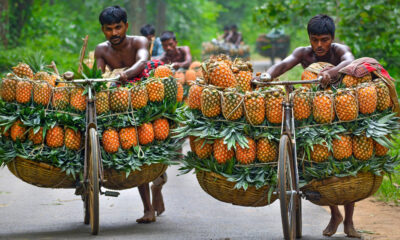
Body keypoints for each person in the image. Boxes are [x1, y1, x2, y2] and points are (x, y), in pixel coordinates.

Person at [261, 14, 359, 238]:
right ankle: (335, 213)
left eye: (324, 40)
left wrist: (331, 72)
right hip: (313, 113)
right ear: (309, 39)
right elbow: (284, 64)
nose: (319, 45)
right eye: (315, 40)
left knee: (346, 162)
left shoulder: (339, 51)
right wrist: (266, 76)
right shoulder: (304, 53)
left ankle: (349, 221)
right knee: (318, 160)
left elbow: (351, 61)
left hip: (340, 112)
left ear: (332, 38)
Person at [94, 5, 166, 223]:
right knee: (129, 144)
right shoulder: (101, 50)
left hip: (143, 95)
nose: (114, 33)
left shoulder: (139, 42)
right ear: (103, 30)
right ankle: (148, 209)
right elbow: (98, 74)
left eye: (118, 27)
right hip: (117, 98)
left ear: (126, 25)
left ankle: (158, 188)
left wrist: (124, 74)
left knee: (156, 139)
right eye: (109, 29)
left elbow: (143, 61)